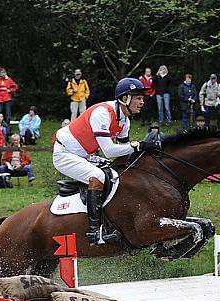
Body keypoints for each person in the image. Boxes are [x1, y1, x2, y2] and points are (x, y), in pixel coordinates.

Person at [53, 77, 159, 245]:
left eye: (142, 98)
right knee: (98, 177)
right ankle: (94, 233)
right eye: (138, 98)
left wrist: (146, 155)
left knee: (116, 174)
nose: (142, 102)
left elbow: (123, 154)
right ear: (125, 99)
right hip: (64, 154)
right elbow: (109, 151)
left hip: (84, 155)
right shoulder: (102, 113)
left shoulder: (124, 121)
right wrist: (139, 145)